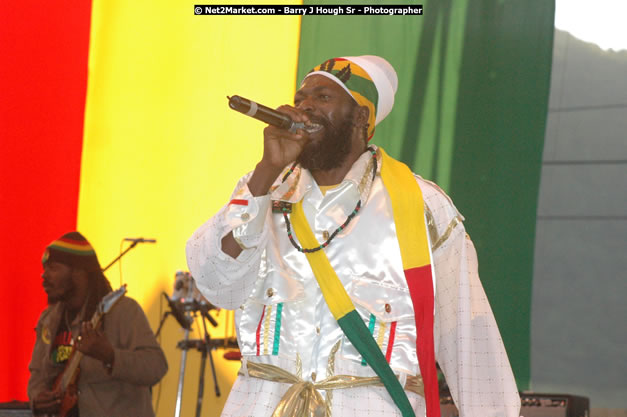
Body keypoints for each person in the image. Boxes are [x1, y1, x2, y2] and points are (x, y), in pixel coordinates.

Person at [186, 55, 520, 417]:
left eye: (323, 97)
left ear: (361, 116)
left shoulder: (423, 207)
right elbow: (217, 285)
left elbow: (467, 338)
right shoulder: (262, 191)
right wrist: (266, 170)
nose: (305, 107)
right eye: (300, 99)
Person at [28, 231, 168, 416]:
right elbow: (37, 374)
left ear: (79, 272)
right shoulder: (49, 319)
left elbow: (156, 366)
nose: (44, 276)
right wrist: (37, 399)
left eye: (53, 268)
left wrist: (110, 356)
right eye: (45, 269)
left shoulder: (123, 311)